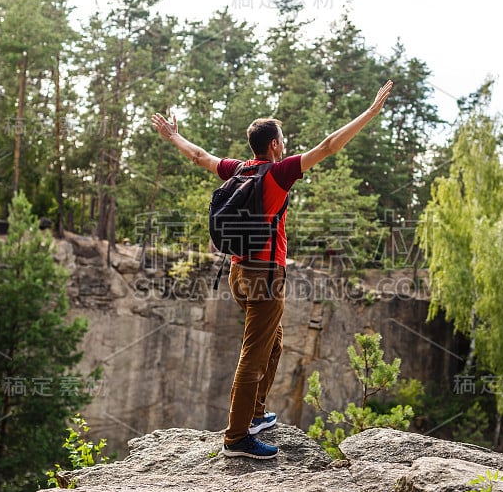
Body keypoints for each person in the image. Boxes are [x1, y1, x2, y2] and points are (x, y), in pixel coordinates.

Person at [151, 80, 393, 459]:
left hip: (238, 273)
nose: (288, 143)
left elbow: (200, 156)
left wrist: (174, 138)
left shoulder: (239, 170)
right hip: (264, 276)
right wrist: (370, 112)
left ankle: (256, 413)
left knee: (273, 342)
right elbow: (329, 146)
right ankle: (236, 438)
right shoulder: (279, 174)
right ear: (275, 145)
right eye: (285, 138)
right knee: (253, 353)